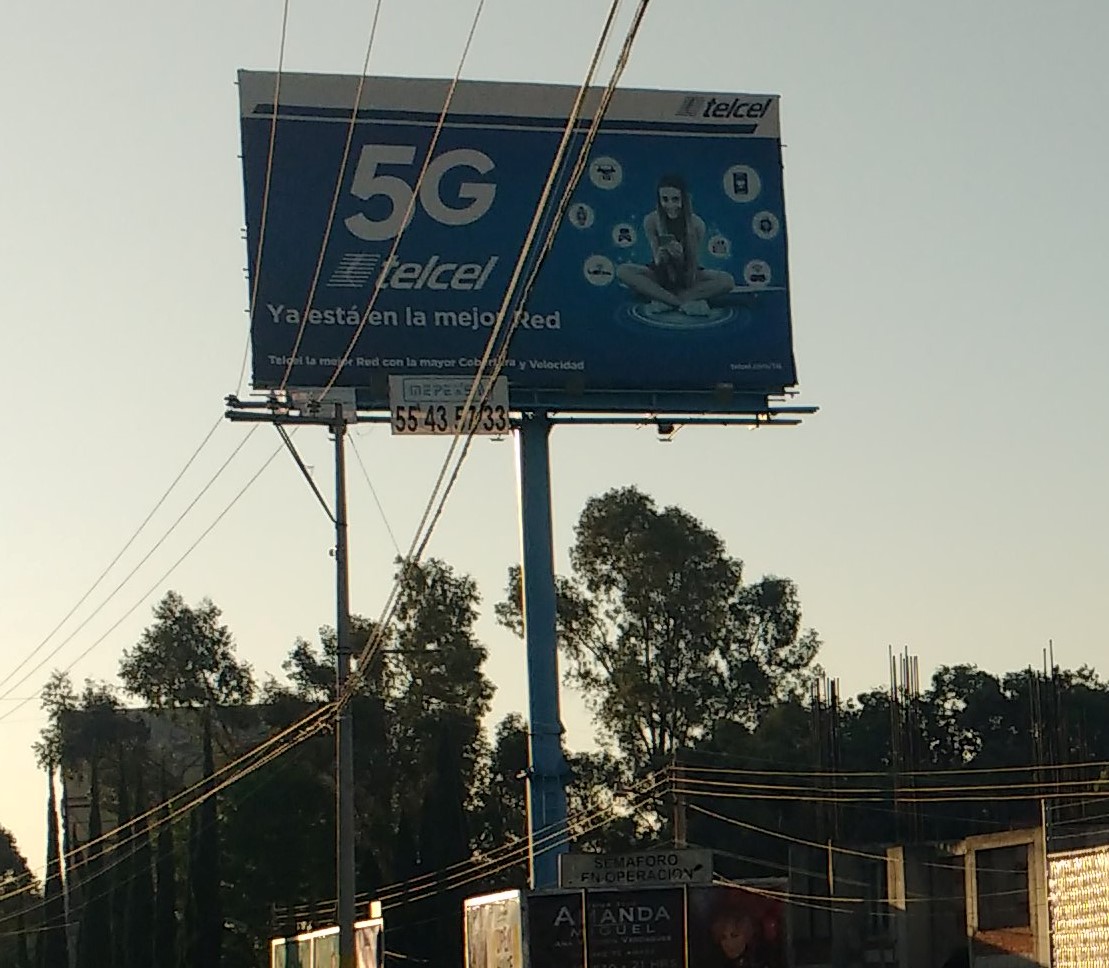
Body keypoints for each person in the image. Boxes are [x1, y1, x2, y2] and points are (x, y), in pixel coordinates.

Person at [616, 174, 735, 316]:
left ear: (684, 199)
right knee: (623, 271)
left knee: (727, 281)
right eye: (665, 199)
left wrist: (680, 258)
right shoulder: (651, 221)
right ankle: (679, 301)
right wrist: (662, 255)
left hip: (688, 276)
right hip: (660, 275)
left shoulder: (697, 224)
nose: (670, 205)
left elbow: (691, 270)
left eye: (675, 199)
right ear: (659, 200)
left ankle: (664, 299)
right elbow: (657, 262)